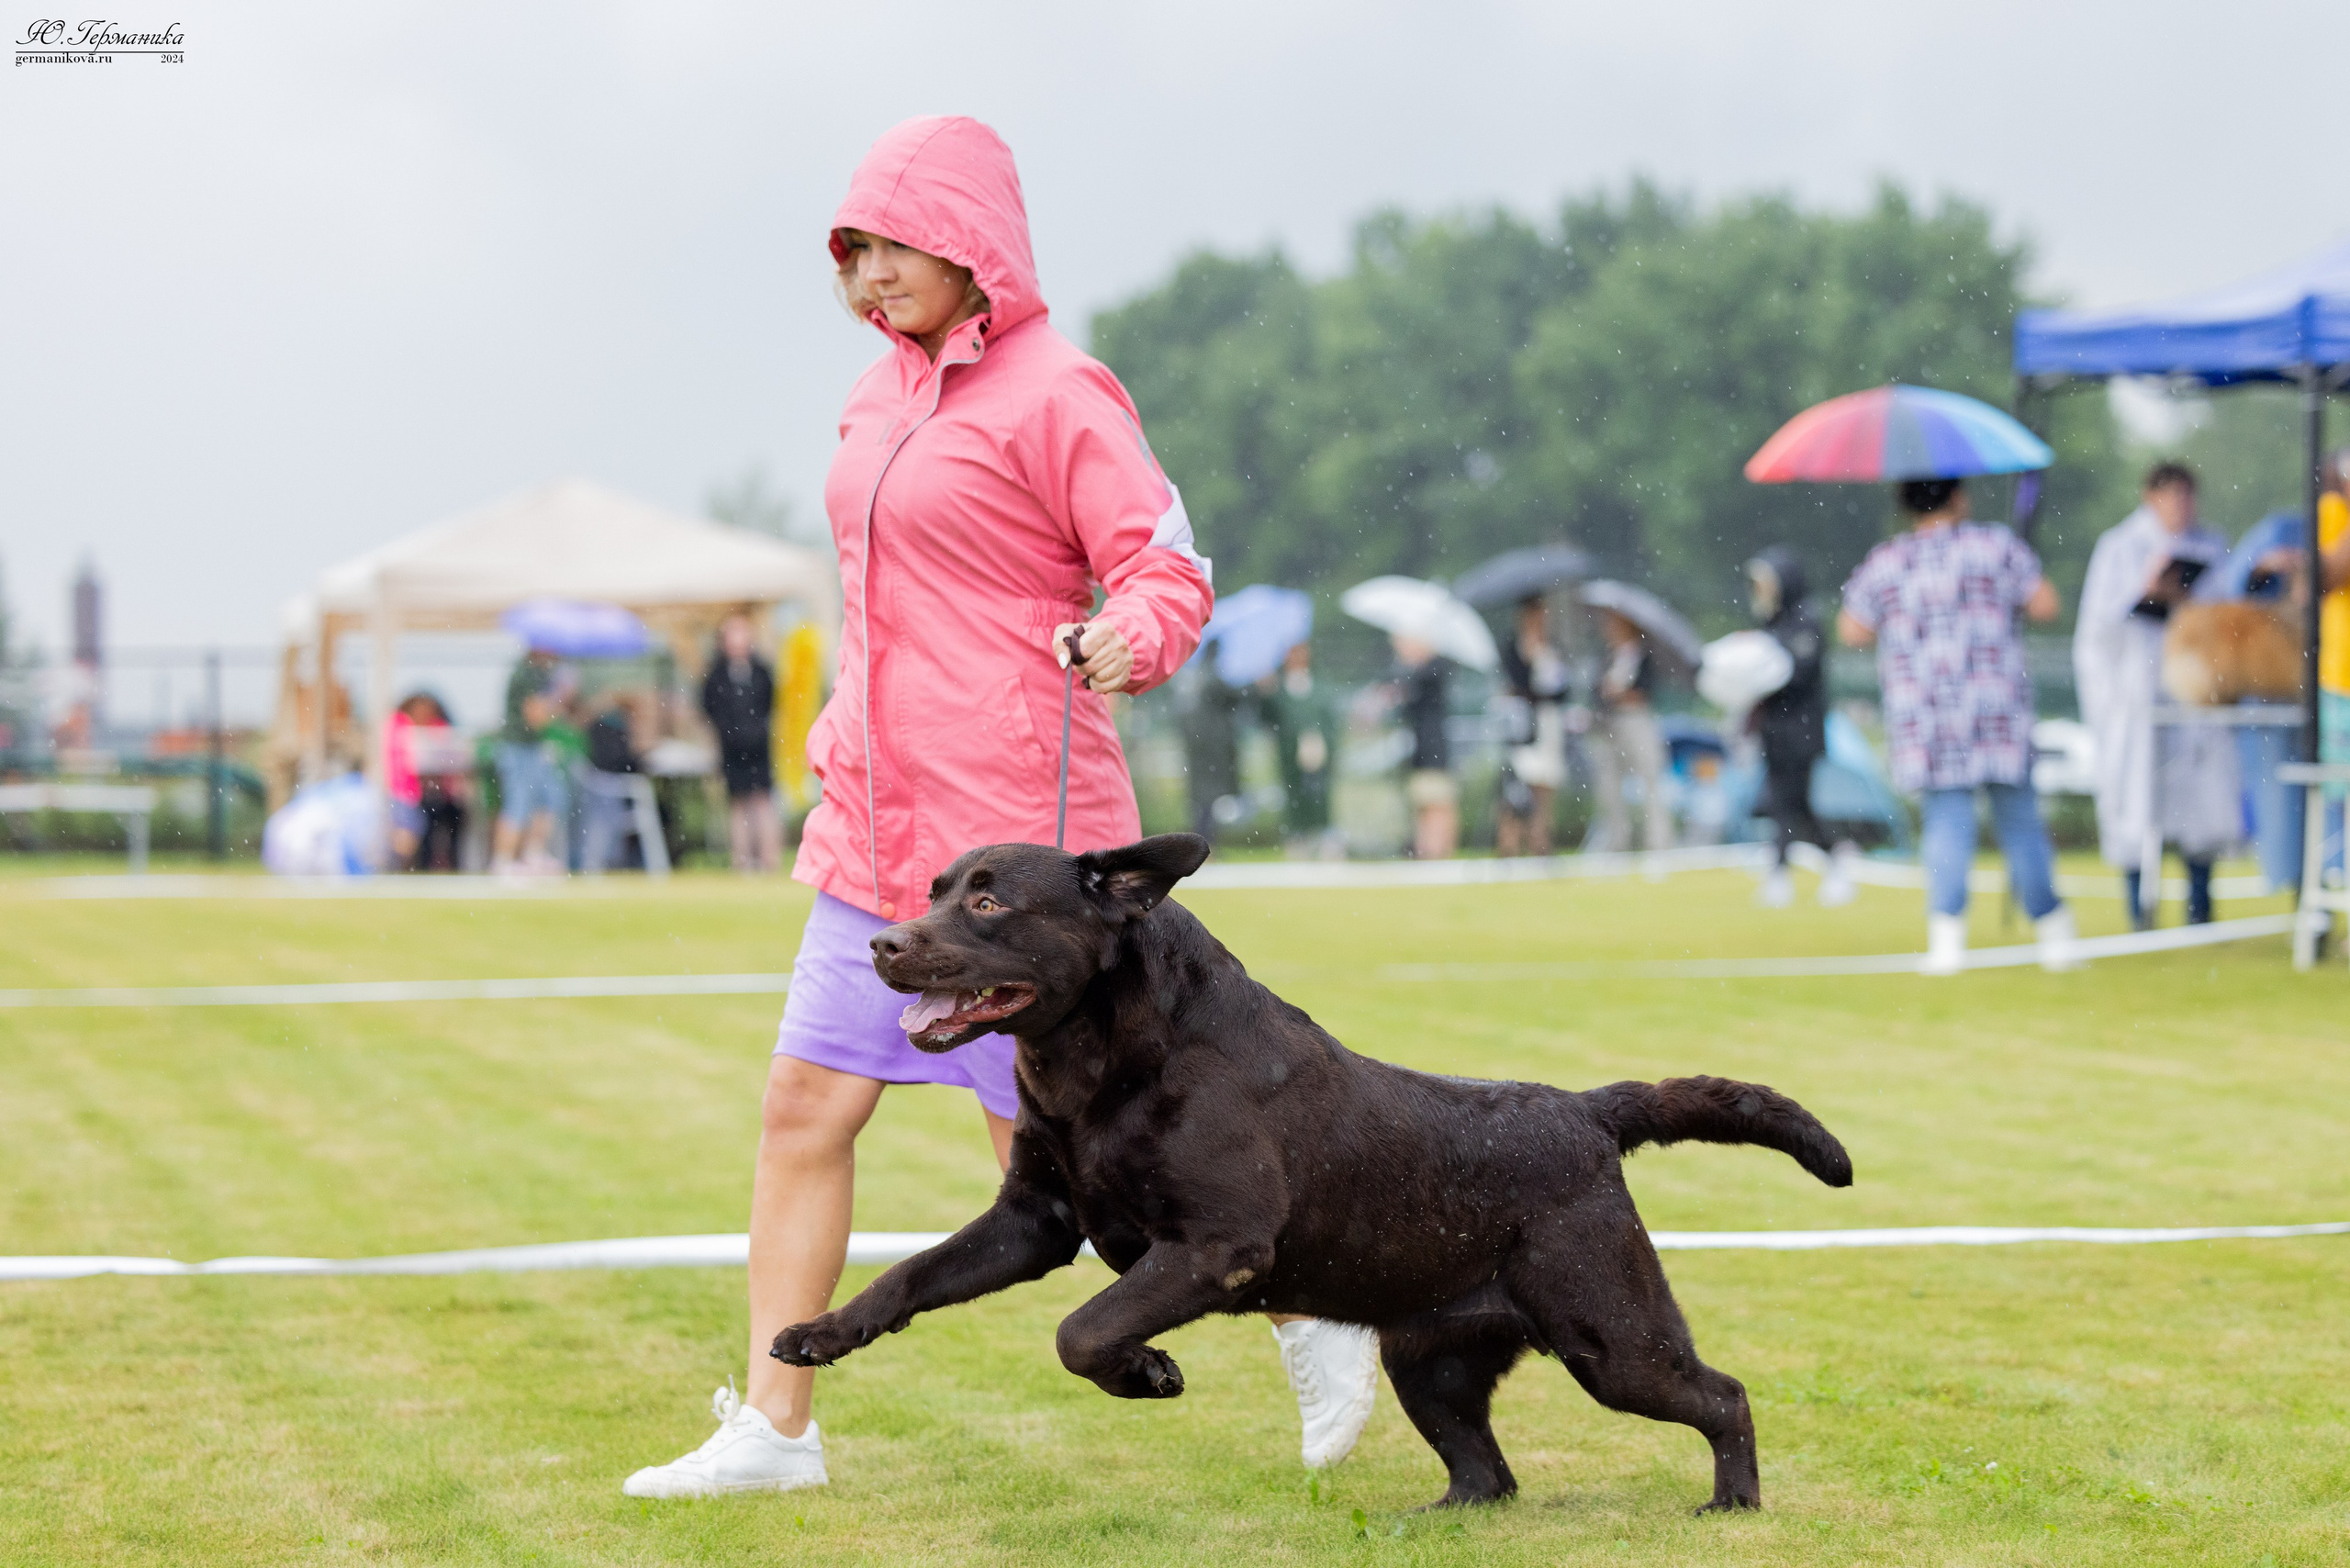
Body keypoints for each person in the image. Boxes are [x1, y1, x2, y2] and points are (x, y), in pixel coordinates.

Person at [621, 116, 1378, 1502]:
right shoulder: (875, 398)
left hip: (1019, 861)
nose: (868, 280)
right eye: (850, 255)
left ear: (972, 246)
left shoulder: (1063, 391)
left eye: (893, 248)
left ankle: (1314, 1304)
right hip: (878, 836)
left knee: (1093, 1175)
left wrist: (1132, 637)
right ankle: (776, 1434)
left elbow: (1163, 566)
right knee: (802, 1111)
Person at [1839, 477, 2077, 975]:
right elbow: (2046, 604)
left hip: (1929, 718)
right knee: (2022, 827)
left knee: (1947, 830)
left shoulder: (1889, 561)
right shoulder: (1995, 545)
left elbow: (1852, 629)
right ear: (1959, 498)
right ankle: (2054, 933)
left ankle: (1947, 939)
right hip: (1997, 712)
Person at [2075, 463, 2237, 927]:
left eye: (2188, 497)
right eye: (2171, 497)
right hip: (2136, 690)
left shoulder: (2211, 544)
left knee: (2201, 799)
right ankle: (2138, 909)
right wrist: (2143, 593)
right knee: (2135, 797)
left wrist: (2185, 599)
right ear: (2151, 497)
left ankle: (2199, 907)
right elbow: (2098, 626)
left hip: (2191, 695)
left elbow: (2225, 615)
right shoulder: (2120, 547)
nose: (2180, 507)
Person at [1744, 548, 1852, 908]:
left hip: (1801, 730)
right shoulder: (1772, 624)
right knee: (1796, 805)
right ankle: (1836, 858)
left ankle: (1780, 874)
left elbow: (1797, 673)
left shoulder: (1808, 621)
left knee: (1786, 803)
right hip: (1774, 730)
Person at [700, 614, 783, 873]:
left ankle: (770, 858)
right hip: (731, 746)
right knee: (737, 801)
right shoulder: (716, 675)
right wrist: (728, 731)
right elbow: (709, 707)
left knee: (763, 800)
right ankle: (742, 859)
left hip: (759, 745)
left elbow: (772, 702)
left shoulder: (761, 671)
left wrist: (756, 729)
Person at [1585, 610, 1673, 854]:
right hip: (1609, 724)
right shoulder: (1606, 657)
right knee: (1609, 786)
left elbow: (1647, 691)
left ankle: (1658, 842)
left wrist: (1621, 693)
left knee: (1650, 780)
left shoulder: (1644, 655)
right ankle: (1617, 841)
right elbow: (1596, 692)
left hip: (1635, 720)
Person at [1494, 597, 1570, 857]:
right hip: (1523, 724)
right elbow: (1513, 683)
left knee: (1544, 785)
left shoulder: (1553, 648)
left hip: (1546, 722)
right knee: (1516, 785)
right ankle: (1510, 844)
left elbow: (1561, 691)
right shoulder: (1513, 647)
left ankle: (1540, 841)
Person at [1258, 640, 1343, 859]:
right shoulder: (1278, 691)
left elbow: (1329, 720)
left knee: (1320, 795)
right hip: (1290, 753)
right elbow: (1268, 720)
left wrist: (1321, 741)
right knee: (1295, 795)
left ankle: (1324, 837)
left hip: (1318, 751)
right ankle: (1299, 839)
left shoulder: (1320, 688)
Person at [491, 648, 568, 875]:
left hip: (533, 748)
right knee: (518, 802)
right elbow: (536, 717)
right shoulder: (525, 674)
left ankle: (533, 856)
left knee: (547, 800)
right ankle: (503, 861)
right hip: (517, 748)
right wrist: (558, 700)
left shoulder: (539, 673)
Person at [1392, 634, 1458, 858]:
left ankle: (1435, 851)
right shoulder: (1416, 676)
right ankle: (1426, 852)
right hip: (1421, 753)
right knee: (1423, 807)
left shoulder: (1433, 669)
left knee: (1436, 805)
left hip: (1433, 752)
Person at [1180, 663, 1245, 843]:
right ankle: (1206, 842)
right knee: (1208, 803)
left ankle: (1205, 842)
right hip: (1211, 755)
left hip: (1205, 755)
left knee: (1205, 803)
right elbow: (1232, 697)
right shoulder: (1214, 680)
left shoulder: (1200, 683)